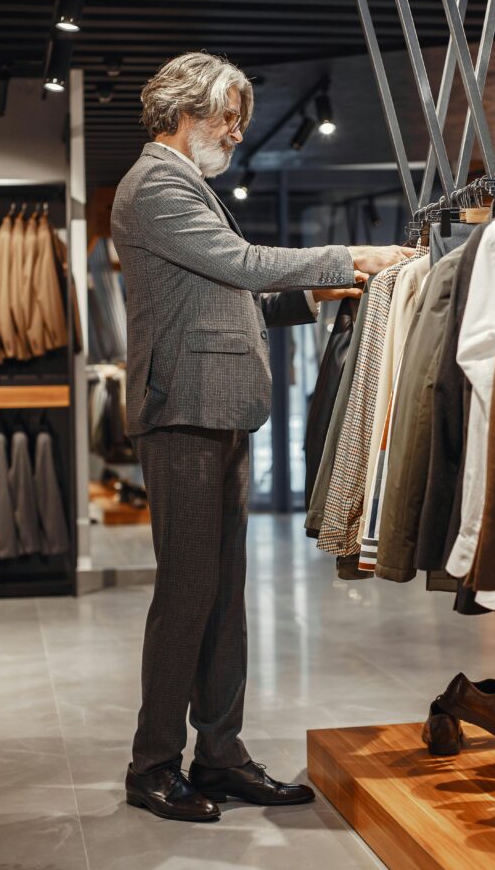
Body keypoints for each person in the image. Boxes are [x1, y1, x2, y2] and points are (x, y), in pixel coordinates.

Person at [111, 52, 414, 822]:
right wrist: (353, 255)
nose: (238, 134)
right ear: (189, 111)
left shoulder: (186, 188)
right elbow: (240, 266)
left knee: (221, 597)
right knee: (187, 596)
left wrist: (315, 291)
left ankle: (218, 754)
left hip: (214, 409)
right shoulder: (156, 185)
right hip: (183, 410)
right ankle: (152, 765)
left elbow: (220, 297)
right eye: (229, 118)